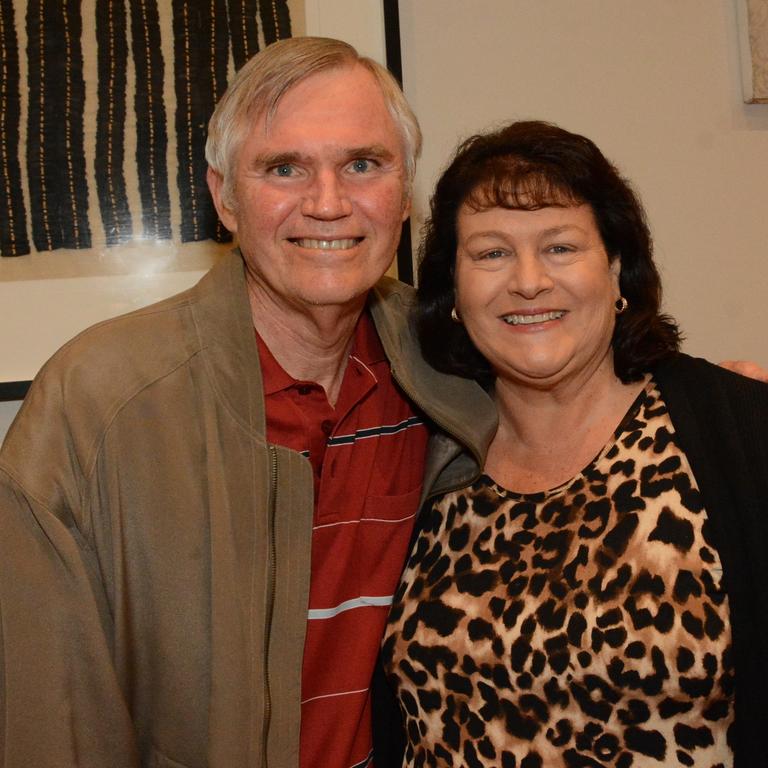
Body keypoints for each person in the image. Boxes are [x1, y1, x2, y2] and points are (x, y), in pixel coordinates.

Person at [0, 38, 498, 768]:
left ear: (404, 193)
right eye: (284, 168)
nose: (328, 203)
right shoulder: (97, 403)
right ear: (224, 196)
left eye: (363, 164)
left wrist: (720, 399)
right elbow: (54, 720)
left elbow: (586, 380)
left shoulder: (453, 368)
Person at [383, 121, 768, 767]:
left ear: (617, 270)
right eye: (491, 253)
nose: (528, 282)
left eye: (560, 247)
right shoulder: (422, 456)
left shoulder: (740, 438)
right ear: (452, 291)